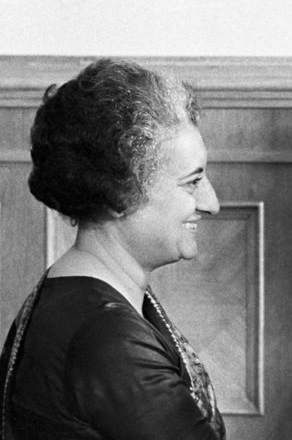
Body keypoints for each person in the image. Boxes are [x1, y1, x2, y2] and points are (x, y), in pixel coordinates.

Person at [0, 59, 226, 439]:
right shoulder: (105, 340)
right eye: (192, 182)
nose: (211, 204)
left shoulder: (80, 298)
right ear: (119, 195)